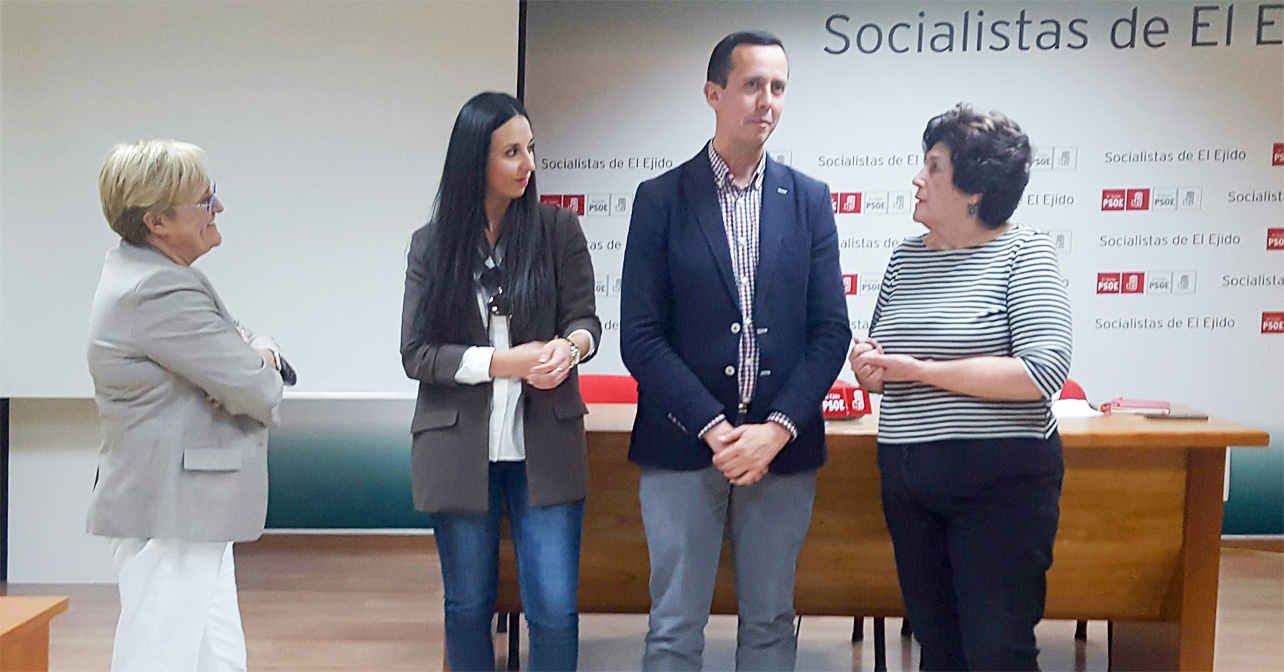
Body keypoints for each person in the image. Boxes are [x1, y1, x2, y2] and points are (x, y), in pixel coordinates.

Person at [620, 31, 851, 671]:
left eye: (778, 88)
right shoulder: (661, 200)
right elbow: (640, 335)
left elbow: (830, 330)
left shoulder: (809, 200)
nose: (767, 102)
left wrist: (774, 431)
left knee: (772, 625)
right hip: (681, 444)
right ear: (713, 94)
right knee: (673, 627)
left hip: (783, 451)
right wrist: (718, 430)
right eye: (753, 85)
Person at [849, 104, 1073, 671]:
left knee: (997, 651)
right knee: (937, 650)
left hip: (1000, 488)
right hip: (909, 483)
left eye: (934, 168)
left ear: (975, 190)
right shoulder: (904, 259)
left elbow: (1040, 372)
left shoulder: (1025, 253)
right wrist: (870, 369)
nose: (917, 180)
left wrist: (921, 369)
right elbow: (883, 365)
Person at [400, 91, 601, 671]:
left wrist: (570, 348)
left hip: (546, 441)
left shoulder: (557, 229)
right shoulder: (432, 245)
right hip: (458, 445)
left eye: (531, 148)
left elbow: (586, 322)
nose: (527, 164)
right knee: (466, 605)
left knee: (555, 609)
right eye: (511, 151)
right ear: (474, 161)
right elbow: (417, 353)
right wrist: (501, 362)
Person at [87, 139, 287, 671]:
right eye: (205, 200)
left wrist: (247, 361)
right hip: (173, 507)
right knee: (158, 657)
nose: (217, 209)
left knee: (216, 658)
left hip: (192, 509)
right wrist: (261, 356)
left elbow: (240, 371)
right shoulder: (156, 290)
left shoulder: (166, 277)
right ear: (157, 221)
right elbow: (260, 388)